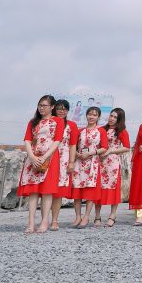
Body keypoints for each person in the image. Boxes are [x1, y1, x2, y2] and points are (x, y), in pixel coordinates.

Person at [19, 95, 65, 233]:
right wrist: (32, 156)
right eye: (40, 105)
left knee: (47, 191)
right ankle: (31, 223)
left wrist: (45, 156)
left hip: (50, 158)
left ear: (52, 107)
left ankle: (44, 222)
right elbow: (27, 140)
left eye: (44, 105)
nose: (41, 108)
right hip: (33, 158)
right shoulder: (33, 122)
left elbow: (57, 140)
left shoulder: (58, 121)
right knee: (33, 191)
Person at [71, 106, 107, 228]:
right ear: (86, 115)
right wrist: (77, 154)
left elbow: (104, 147)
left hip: (92, 163)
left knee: (90, 190)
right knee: (77, 189)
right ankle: (77, 217)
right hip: (79, 162)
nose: (91, 117)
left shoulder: (101, 131)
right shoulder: (80, 131)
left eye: (94, 115)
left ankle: (86, 217)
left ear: (98, 117)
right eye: (89, 114)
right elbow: (73, 146)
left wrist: (91, 153)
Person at [95, 107, 130, 227]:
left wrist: (111, 151)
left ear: (119, 119)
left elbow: (126, 147)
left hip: (113, 162)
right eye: (111, 116)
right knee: (98, 188)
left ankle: (112, 215)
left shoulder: (121, 131)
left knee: (113, 188)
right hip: (100, 161)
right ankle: (97, 216)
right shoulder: (101, 129)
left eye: (115, 117)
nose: (112, 118)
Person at [51, 99, 79, 230]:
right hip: (48, 157)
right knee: (45, 190)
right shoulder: (48, 122)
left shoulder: (72, 125)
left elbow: (73, 145)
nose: (62, 111)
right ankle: (44, 218)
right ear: (54, 109)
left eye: (65, 109)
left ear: (68, 111)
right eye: (59, 108)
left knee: (58, 191)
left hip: (63, 159)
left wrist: (72, 162)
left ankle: (55, 220)